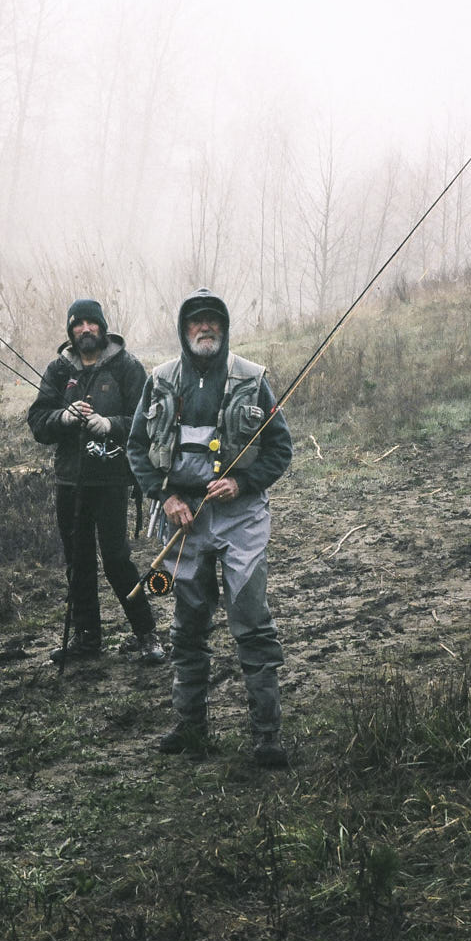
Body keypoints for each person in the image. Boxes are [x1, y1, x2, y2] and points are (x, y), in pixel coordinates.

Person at [127, 288, 294, 767]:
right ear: (184, 331)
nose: (205, 329)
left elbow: (281, 451)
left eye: (213, 322)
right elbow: (138, 448)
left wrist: (242, 482)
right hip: (184, 519)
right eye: (196, 322)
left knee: (251, 618)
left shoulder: (253, 379)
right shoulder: (158, 382)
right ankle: (190, 727)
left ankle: (267, 736)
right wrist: (167, 496)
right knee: (187, 622)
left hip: (240, 516)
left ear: (223, 328)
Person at [28, 298, 164, 664]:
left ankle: (146, 634)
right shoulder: (58, 370)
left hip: (112, 480)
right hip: (70, 483)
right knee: (78, 561)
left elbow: (147, 421)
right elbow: (38, 422)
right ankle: (87, 639)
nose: (85, 329)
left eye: (92, 323)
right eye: (78, 324)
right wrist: (64, 417)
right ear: (70, 330)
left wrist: (111, 425)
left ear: (103, 327)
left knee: (118, 559)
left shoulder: (128, 366)